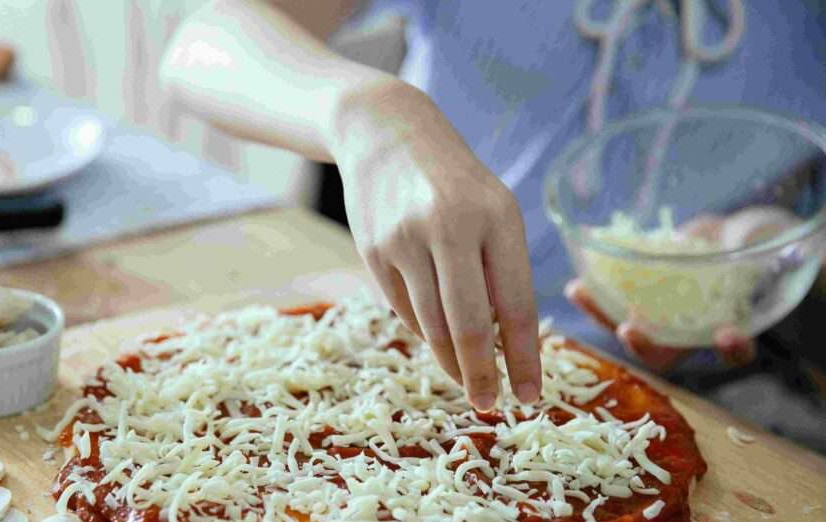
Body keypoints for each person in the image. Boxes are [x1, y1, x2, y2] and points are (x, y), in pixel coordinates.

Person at [159, 0, 826, 410]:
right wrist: (366, 112)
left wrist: (774, 250)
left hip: (718, 390)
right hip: (411, 349)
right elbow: (206, 41)